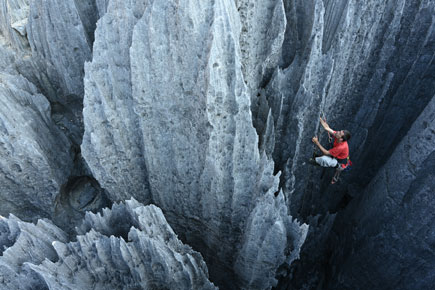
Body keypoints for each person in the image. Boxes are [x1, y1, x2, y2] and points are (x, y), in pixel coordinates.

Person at [310, 117, 351, 184]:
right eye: (339, 131)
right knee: (329, 156)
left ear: (341, 139)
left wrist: (317, 142)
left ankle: (336, 172)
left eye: (339, 133)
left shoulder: (341, 147)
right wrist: (319, 118)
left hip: (340, 160)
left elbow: (326, 152)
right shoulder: (338, 136)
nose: (337, 132)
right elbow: (327, 128)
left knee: (326, 160)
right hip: (340, 154)